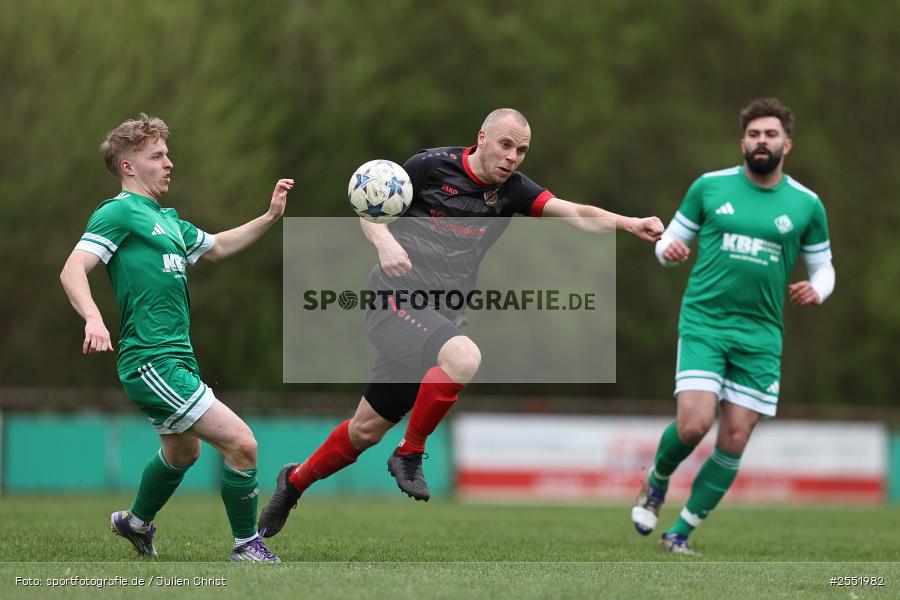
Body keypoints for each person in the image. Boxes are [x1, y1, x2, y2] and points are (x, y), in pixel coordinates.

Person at [258, 108, 664, 538]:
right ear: (482, 138)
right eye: (505, 145)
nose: (512, 157)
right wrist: (384, 242)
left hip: (437, 317)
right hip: (394, 301)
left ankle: (293, 482)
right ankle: (410, 453)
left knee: (365, 431)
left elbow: (577, 213)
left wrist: (629, 223)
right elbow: (369, 205)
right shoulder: (430, 166)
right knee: (464, 357)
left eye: (521, 150)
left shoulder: (513, 191)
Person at [59, 113, 292, 562]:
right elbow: (72, 269)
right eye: (158, 156)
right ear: (129, 166)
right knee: (242, 444)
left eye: (167, 154)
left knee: (183, 451)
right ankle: (246, 545)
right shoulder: (118, 212)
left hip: (176, 358)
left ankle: (135, 522)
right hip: (151, 361)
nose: (169, 163)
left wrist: (269, 216)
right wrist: (93, 318)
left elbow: (218, 246)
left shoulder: (167, 220)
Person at [631, 98, 835, 555]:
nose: (762, 141)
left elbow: (824, 267)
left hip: (761, 334)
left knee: (736, 436)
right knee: (694, 425)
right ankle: (656, 481)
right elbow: (668, 241)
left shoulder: (807, 204)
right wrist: (669, 252)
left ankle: (679, 533)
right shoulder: (709, 187)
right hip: (705, 322)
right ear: (743, 142)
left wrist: (818, 289)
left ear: (787, 144)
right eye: (754, 134)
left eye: (771, 134)